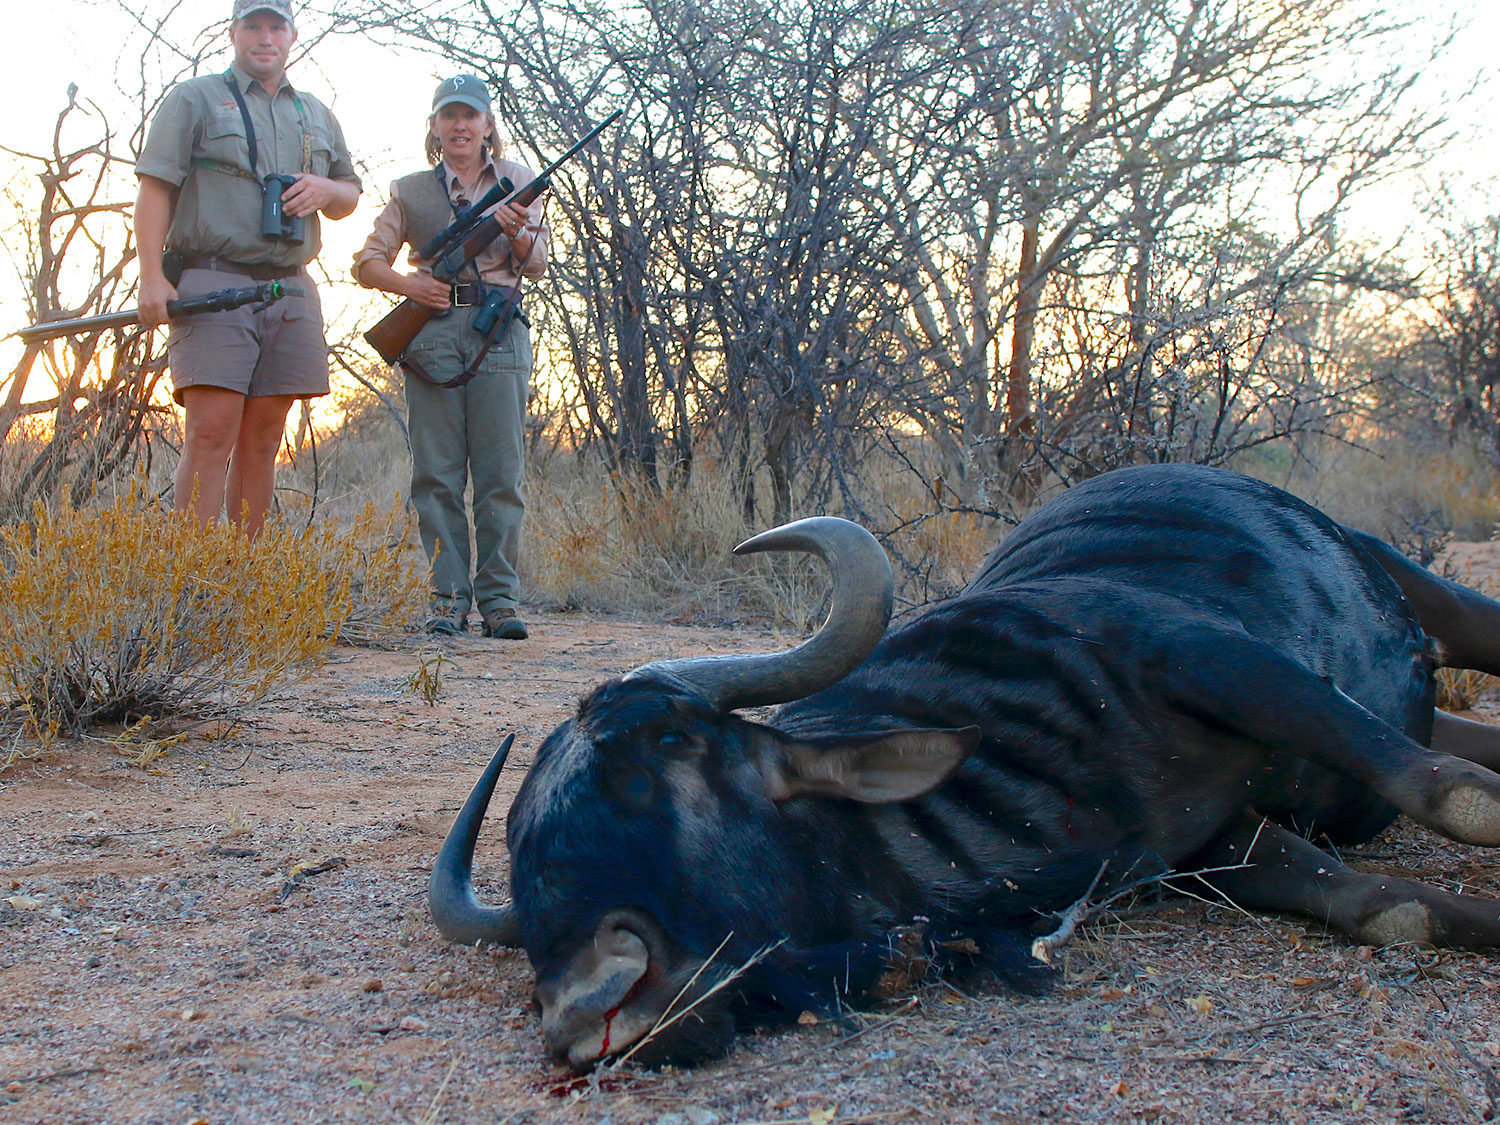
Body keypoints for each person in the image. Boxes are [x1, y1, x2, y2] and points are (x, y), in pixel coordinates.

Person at [134, 0, 361, 538]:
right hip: (215, 278)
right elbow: (154, 188)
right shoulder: (195, 98)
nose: (265, 37)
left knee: (263, 440)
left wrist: (326, 189)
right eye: (253, 26)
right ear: (233, 33)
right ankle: (185, 577)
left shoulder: (315, 111)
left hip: (290, 287)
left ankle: (246, 579)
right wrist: (151, 276)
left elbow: (349, 193)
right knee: (211, 434)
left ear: (291, 34)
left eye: (275, 27)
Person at [353, 75, 548, 640]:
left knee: (500, 476)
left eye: (471, 115)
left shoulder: (518, 181)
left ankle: (499, 603)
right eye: (449, 116)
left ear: (489, 126)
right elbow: (366, 263)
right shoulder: (411, 189)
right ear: (435, 127)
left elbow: (535, 264)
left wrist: (513, 232)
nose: (460, 125)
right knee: (436, 476)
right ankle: (447, 601)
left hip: (499, 331)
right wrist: (410, 287)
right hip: (432, 334)